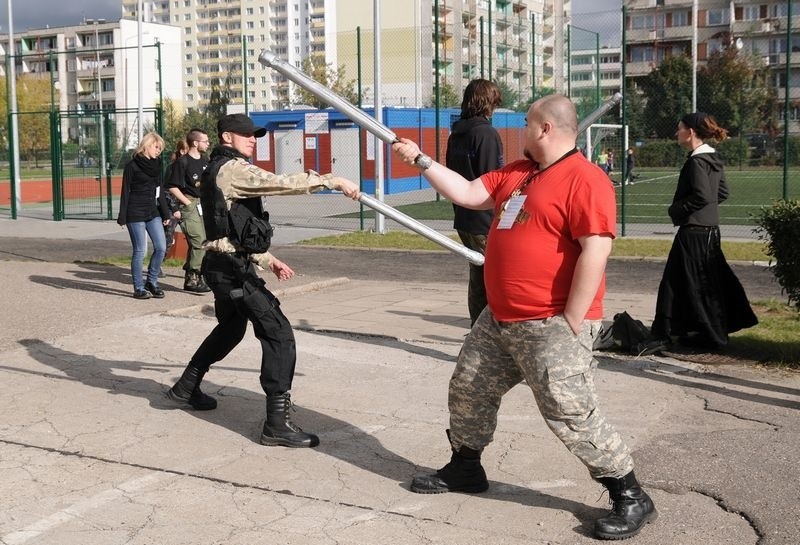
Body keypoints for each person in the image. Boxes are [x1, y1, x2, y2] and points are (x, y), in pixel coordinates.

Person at [391, 95, 657, 541]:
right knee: (469, 388)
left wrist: (573, 318)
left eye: (529, 124)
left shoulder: (585, 180)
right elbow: (469, 192)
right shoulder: (518, 173)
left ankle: (630, 495)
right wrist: (420, 159)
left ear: (546, 129)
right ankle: (465, 468)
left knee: (569, 413)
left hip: (551, 323)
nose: (522, 132)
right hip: (500, 320)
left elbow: (596, 248)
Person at [166, 113, 360, 449]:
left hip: (224, 262)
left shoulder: (217, 168)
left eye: (255, 135)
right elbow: (280, 182)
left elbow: (228, 227)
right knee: (278, 332)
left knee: (230, 329)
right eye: (246, 135)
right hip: (229, 269)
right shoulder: (233, 169)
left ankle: (185, 386)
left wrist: (267, 260)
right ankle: (277, 423)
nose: (253, 140)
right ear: (227, 137)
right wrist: (331, 180)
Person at [650, 112, 757, 350]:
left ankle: (671, 333)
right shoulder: (712, 159)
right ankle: (700, 332)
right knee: (703, 282)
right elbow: (722, 193)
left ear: (690, 132)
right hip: (709, 230)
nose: (677, 133)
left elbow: (703, 195)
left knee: (676, 283)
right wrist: (705, 211)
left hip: (694, 232)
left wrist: (677, 210)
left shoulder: (697, 162)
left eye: (679, 128)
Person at [446, 78, 504, 325]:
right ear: (487, 103)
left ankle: (478, 327)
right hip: (484, 217)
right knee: (495, 276)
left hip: (463, 216)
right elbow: (494, 179)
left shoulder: (456, 135)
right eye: (494, 103)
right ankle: (489, 331)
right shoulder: (486, 134)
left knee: (478, 273)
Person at [117, 132, 171, 300]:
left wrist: (165, 212)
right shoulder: (132, 166)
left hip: (152, 212)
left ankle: (152, 282)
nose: (158, 151)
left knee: (161, 247)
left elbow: (159, 190)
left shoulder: (156, 165)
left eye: (160, 149)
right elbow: (125, 191)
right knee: (140, 251)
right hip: (135, 212)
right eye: (156, 147)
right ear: (147, 145)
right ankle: (138, 288)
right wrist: (122, 215)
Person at [167, 129, 212, 293]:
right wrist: (186, 202)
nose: (208, 144)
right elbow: (172, 186)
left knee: (205, 241)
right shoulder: (183, 162)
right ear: (195, 143)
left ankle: (194, 276)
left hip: (203, 205)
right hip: (190, 205)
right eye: (205, 141)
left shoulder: (205, 160)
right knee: (198, 241)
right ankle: (193, 277)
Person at [163, 139, 189, 249]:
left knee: (195, 239)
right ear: (182, 151)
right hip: (172, 208)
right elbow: (166, 190)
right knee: (167, 240)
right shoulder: (172, 168)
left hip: (187, 206)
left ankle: (193, 265)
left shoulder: (191, 166)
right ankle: (156, 265)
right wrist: (174, 209)